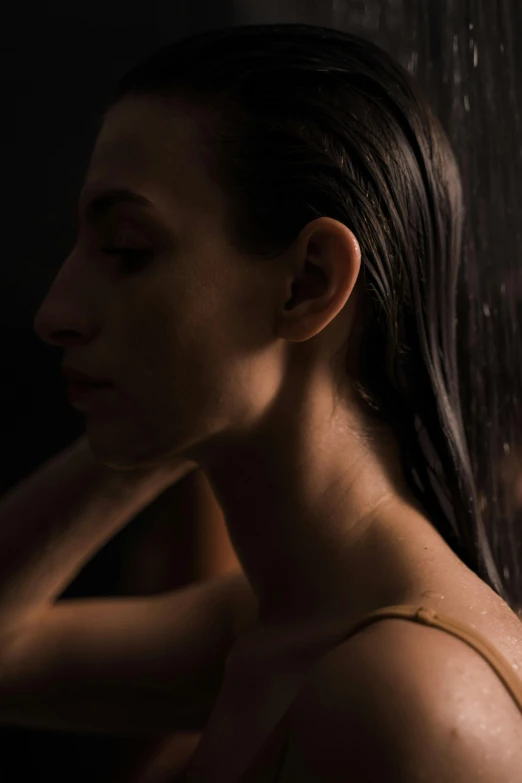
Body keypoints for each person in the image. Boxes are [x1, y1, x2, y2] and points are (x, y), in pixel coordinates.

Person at [0, 22, 521, 782]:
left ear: (307, 281)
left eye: (127, 252)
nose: (56, 312)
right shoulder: (275, 620)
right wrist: (162, 420)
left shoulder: (404, 694)